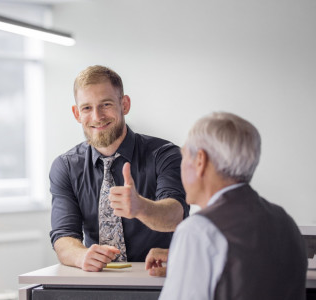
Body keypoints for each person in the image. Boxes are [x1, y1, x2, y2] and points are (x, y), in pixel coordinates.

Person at [145, 112, 308, 299]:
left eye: (184, 157)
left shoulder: (198, 230)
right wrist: (188, 264)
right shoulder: (285, 221)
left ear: (200, 161)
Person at [49, 65, 189, 272]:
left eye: (106, 104)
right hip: (98, 280)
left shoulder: (166, 154)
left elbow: (177, 216)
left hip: (157, 278)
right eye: (87, 108)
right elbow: (63, 236)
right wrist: (82, 256)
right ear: (76, 113)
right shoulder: (66, 166)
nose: (97, 117)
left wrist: (141, 207)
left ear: (124, 104)